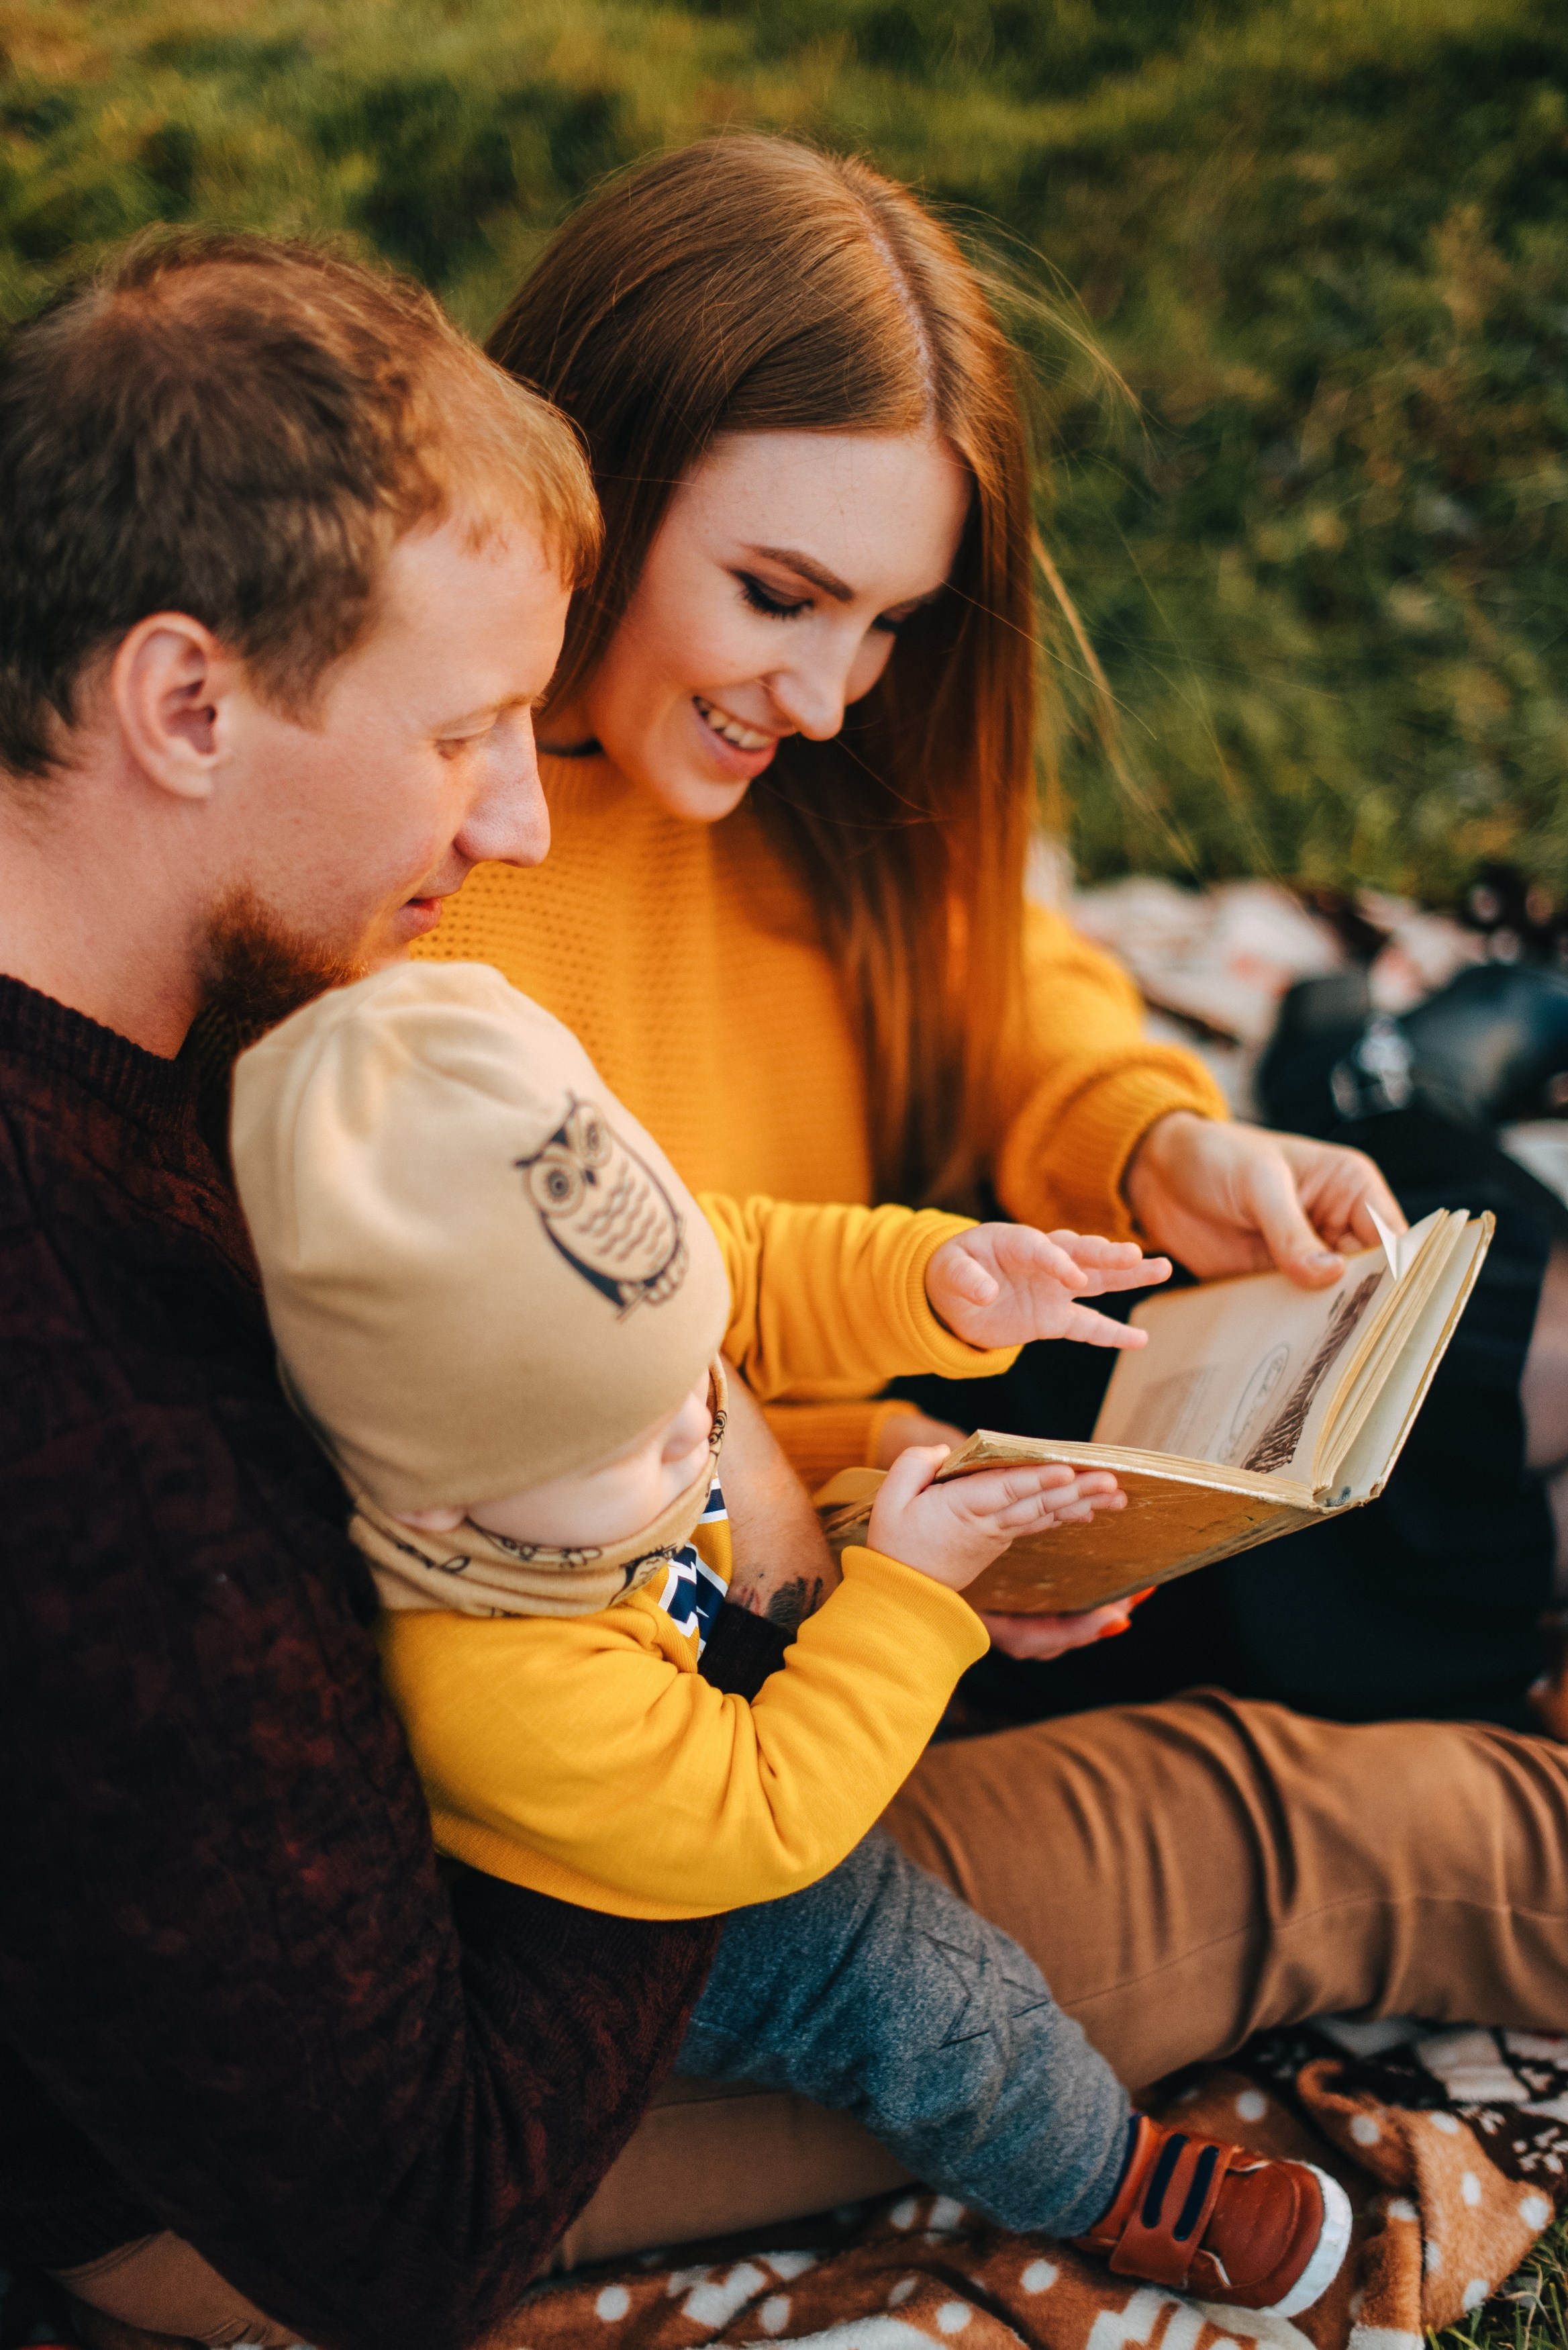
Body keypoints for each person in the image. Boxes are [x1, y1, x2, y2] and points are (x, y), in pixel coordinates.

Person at [5, 223, 1568, 2350]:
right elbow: (414, 2185)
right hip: (556, 1931)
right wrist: (858, 1564)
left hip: (688, 1678)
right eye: (469, 729)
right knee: (1344, 1823)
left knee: (1444, 1308)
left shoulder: (209, 1011)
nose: (515, 812)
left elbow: (684, 1264)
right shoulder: (154, 1341)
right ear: (183, 698)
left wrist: (1077, 1186)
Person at [424, 131, 1566, 1728]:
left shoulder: (801, 769)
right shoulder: (424, 865)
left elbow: (1003, 967)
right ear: (593, 468)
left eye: (889, 622)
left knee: (1377, 1290)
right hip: (781, 1526)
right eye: (776, 593)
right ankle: (1385, 1078)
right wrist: (868, 1483)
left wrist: (1153, 1139)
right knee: (1403, 1434)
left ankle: (1372, 1088)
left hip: (944, 1314)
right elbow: (583, 1391)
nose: (825, 700)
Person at [228, 959, 1357, 2321]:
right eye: (646, 1437)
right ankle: (1113, 2181)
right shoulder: (487, 1680)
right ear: (433, 1492)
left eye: (699, 1370)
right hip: (668, 1867)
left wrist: (937, 1280)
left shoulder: (577, 1385)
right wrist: (913, 1598)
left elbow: (748, 1257)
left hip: (739, 1652)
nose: (708, 1422)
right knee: (906, 1982)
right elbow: (769, 1817)